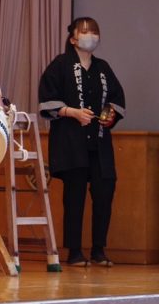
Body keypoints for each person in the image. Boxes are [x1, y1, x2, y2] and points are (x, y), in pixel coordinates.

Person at [38, 17, 125, 267]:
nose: (92, 35)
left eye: (95, 31)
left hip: (99, 143)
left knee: (104, 193)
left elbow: (117, 99)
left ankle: (99, 249)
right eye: (86, 31)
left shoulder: (103, 67)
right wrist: (72, 112)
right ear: (73, 38)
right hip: (71, 143)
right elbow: (46, 100)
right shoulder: (60, 64)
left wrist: (110, 115)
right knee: (74, 197)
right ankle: (74, 251)